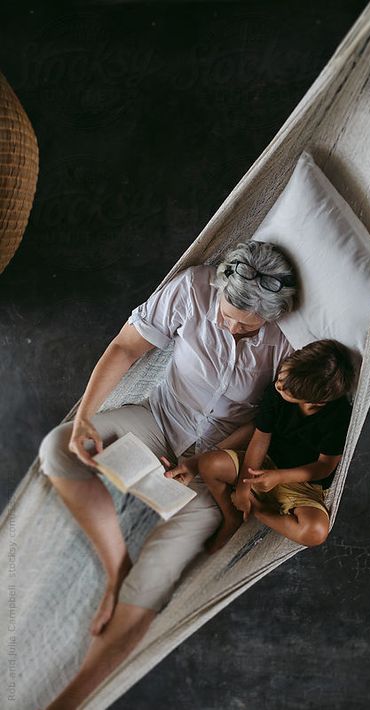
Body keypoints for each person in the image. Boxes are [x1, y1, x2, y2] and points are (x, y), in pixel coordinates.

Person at [39, 240, 296, 710]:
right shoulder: (194, 285)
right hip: (159, 419)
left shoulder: (290, 340)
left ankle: (68, 702)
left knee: (154, 579)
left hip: (214, 463)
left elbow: (264, 423)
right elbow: (124, 346)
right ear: (218, 286)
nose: (230, 326)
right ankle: (116, 566)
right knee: (58, 448)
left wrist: (203, 465)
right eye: (226, 314)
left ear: (273, 317)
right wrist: (85, 419)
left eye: (245, 326)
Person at [185, 340, 355, 553]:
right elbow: (260, 438)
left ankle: (259, 510)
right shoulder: (277, 391)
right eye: (281, 377)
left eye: (286, 389)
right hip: (264, 463)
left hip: (302, 483)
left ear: (316, 402)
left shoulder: (338, 417)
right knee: (209, 463)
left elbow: (324, 466)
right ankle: (233, 515)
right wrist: (243, 488)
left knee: (315, 532)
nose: (278, 385)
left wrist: (280, 477)